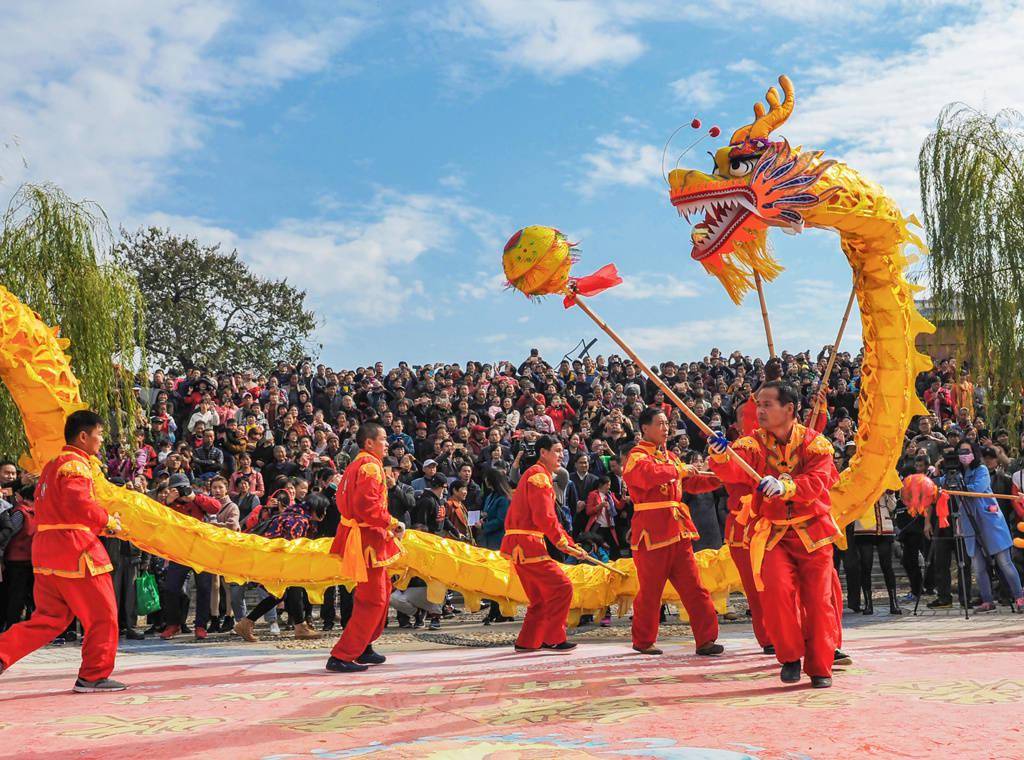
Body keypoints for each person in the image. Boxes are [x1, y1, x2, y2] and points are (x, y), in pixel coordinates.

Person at [709, 381, 840, 688]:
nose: (761, 410)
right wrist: (720, 456)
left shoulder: (816, 444)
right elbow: (733, 469)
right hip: (773, 534)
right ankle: (790, 655)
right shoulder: (753, 444)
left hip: (813, 534)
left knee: (819, 600)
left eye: (768, 404)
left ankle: (821, 666)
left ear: (790, 409)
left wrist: (786, 487)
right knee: (776, 593)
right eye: (759, 404)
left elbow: (818, 482)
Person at [0, 410, 127, 692]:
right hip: (76, 550)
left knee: (48, 619)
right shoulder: (76, 465)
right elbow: (79, 503)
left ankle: (2, 653)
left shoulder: (52, 465)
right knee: (103, 615)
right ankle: (93, 675)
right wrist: (108, 521)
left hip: (47, 549)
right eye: (100, 434)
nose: (101, 441)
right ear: (83, 436)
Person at [623, 409, 723, 657]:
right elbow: (647, 476)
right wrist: (680, 470)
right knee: (651, 591)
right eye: (660, 423)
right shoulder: (637, 456)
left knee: (695, 587)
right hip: (652, 532)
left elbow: (693, 483)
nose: (666, 428)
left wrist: (720, 477)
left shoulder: (672, 458)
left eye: (668, 423)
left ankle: (706, 639)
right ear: (645, 428)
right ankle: (643, 640)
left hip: (678, 531)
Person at [326, 422, 405, 673]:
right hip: (368, 539)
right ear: (369, 443)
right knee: (373, 599)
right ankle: (343, 654)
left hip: (366, 536)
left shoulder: (355, 465)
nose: (387, 444)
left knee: (381, 593)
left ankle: (363, 645)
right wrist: (392, 522)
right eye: (383, 439)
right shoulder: (370, 466)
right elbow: (367, 507)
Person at [500, 435, 585, 653]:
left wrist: (570, 544)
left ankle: (528, 641)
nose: (561, 455)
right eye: (556, 450)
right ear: (543, 453)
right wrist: (563, 543)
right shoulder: (539, 477)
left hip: (521, 543)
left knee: (539, 598)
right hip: (528, 543)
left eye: (562, 450)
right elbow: (545, 516)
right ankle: (553, 637)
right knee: (562, 587)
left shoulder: (535, 475)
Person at [936, 442, 1024, 611]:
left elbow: (978, 489)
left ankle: (1019, 597)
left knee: (1004, 562)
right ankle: (987, 600)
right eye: (960, 451)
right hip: (968, 523)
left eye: (967, 451)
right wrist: (941, 473)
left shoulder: (981, 470)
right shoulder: (955, 473)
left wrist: (959, 488)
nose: (964, 455)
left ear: (974, 453)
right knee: (978, 565)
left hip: (990, 521)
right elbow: (940, 485)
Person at [158, 473, 221, 639]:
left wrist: (194, 497)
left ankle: (201, 626)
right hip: (179, 551)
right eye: (177, 489)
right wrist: (167, 502)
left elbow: (216, 507)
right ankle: (173, 624)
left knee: (204, 588)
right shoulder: (169, 504)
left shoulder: (198, 499)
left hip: (201, 551)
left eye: (183, 487)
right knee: (171, 588)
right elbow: (157, 517)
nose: (181, 492)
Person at [852, 491, 901, 615]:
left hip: (884, 528)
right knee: (866, 565)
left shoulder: (886, 481)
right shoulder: (859, 483)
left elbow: (892, 507)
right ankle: (868, 604)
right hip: (864, 528)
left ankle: (893, 603)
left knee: (887, 566)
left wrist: (889, 494)